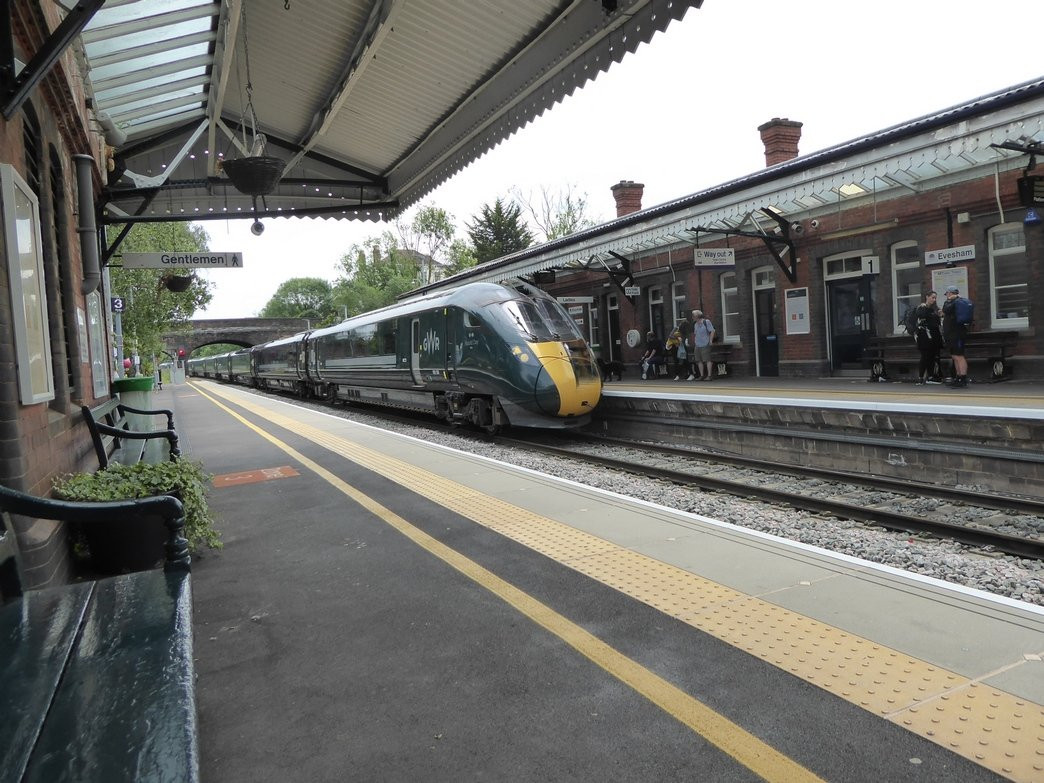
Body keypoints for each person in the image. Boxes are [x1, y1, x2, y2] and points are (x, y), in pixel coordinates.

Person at [941, 285, 970, 388]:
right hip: (952, 334)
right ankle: (958, 377)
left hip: (957, 334)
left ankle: (963, 378)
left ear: (950, 293)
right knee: (954, 356)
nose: (947, 296)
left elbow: (945, 310)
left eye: (947, 294)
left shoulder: (954, 302)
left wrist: (949, 301)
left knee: (959, 356)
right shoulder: (956, 303)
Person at [914, 291, 943, 385]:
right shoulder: (922, 307)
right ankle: (920, 378)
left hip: (934, 336)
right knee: (925, 357)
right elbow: (920, 315)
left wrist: (940, 314)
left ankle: (930, 377)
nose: (934, 300)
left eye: (935, 298)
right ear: (927, 297)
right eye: (932, 297)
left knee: (932, 357)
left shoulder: (935, 309)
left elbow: (937, 322)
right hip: (924, 336)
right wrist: (926, 308)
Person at [690, 309, 716, 380]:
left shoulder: (706, 322)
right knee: (698, 360)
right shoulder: (695, 325)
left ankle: (709, 375)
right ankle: (701, 375)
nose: (692, 317)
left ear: (697, 316)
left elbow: (712, 331)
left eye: (693, 316)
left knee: (707, 359)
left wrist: (710, 340)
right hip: (698, 344)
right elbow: (695, 334)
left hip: (705, 343)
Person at [676, 314, 693, 380]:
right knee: (684, 361)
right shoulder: (686, 333)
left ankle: (680, 375)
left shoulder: (681, 333)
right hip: (683, 348)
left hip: (682, 348)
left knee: (683, 361)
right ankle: (686, 374)